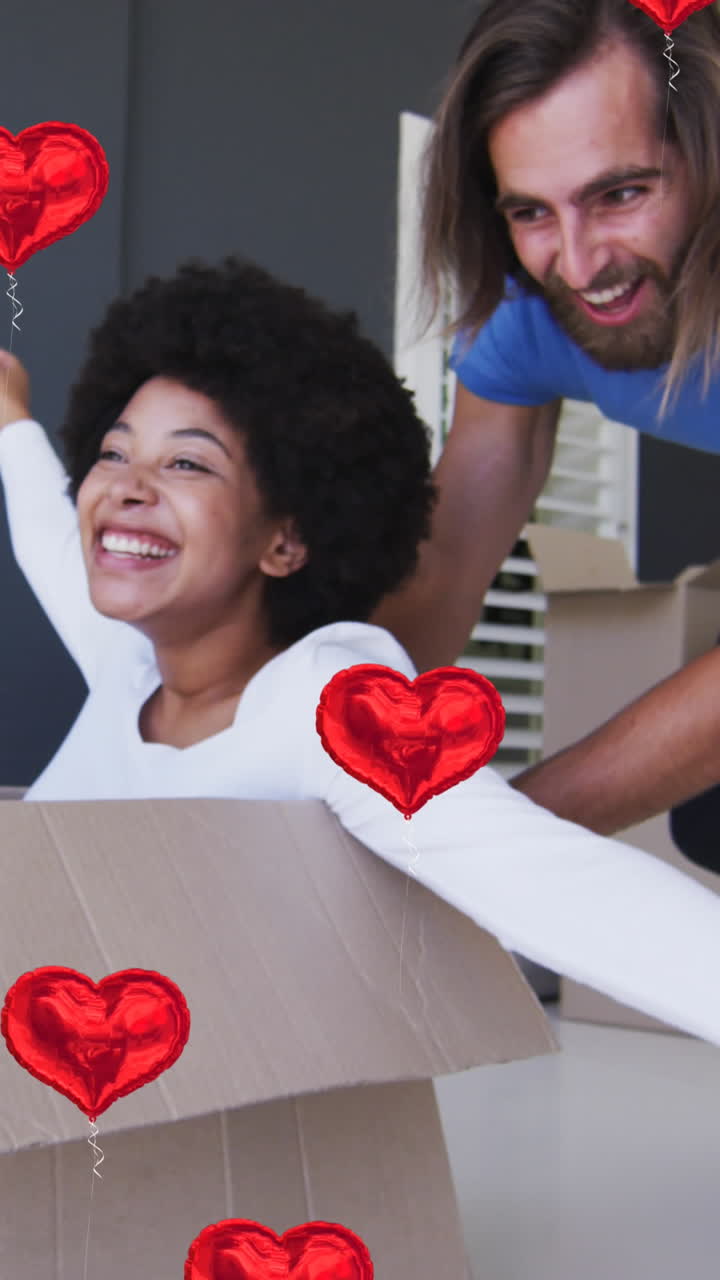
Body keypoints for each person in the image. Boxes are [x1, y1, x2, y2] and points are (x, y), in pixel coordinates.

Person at [1, 256, 720, 1047]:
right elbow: (43, 521)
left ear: (286, 540)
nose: (125, 488)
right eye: (113, 452)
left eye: (186, 463)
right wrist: (10, 411)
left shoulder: (328, 711)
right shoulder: (131, 657)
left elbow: (557, 886)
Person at [373, 0, 720, 837]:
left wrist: (486, 842)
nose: (578, 262)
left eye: (622, 193)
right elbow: (447, 570)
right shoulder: (532, 317)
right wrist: (350, 774)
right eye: (531, 211)